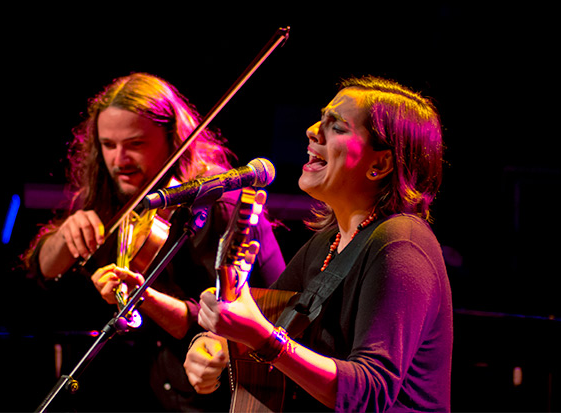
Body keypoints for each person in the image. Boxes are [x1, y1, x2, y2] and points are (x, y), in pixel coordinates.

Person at [184, 75, 453, 412]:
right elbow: (264, 324)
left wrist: (261, 338)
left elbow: (371, 392)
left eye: (337, 127)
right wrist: (214, 344)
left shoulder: (401, 244)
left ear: (380, 164)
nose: (312, 130)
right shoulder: (327, 243)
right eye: (320, 119)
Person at [22, 72, 285, 412]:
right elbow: (40, 272)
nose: (119, 160)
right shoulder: (112, 198)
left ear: (173, 139)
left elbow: (240, 316)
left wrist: (140, 296)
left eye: (135, 144)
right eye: (108, 145)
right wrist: (64, 236)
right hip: (146, 391)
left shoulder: (221, 207)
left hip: (215, 400)